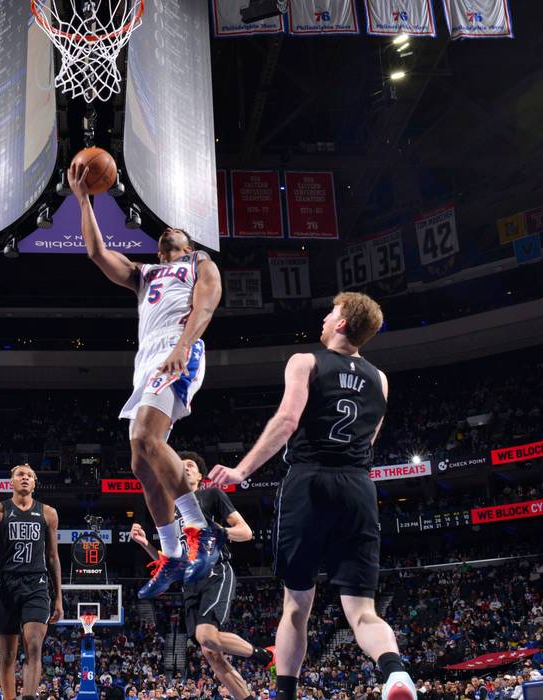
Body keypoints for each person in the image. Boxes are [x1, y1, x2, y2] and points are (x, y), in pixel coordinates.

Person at [210, 292, 416, 700]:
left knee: (296, 605)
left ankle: (286, 694)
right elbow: (369, 439)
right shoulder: (381, 379)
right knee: (362, 611)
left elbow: (287, 420)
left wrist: (241, 470)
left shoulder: (305, 361)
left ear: (341, 324)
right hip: (357, 485)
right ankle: (394, 673)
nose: (324, 318)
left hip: (309, 481)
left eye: (331, 313)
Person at [67, 161, 223, 599]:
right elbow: (98, 254)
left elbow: (206, 307)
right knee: (140, 460)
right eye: (163, 235)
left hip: (180, 347)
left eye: (176, 230)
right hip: (148, 362)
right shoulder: (145, 274)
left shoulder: (200, 262)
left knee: (147, 438)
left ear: (188, 243)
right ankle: (172, 554)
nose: (168, 231)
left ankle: (199, 529)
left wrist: (182, 347)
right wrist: (84, 200)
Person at [128, 452, 271, 700]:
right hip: (189, 583)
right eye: (179, 466)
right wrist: (144, 544)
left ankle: (266, 656)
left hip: (215, 571)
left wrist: (219, 531)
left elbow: (245, 532)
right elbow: (170, 564)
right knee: (211, 653)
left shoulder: (211, 495)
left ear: (200, 476)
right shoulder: (168, 512)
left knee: (206, 636)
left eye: (190, 465)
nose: (184, 468)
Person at [0, 465, 64, 700]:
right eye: (20, 475)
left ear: (35, 483)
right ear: (11, 481)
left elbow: (53, 557)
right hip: (6, 584)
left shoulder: (48, 513)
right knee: (8, 655)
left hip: (36, 583)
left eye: (30, 476)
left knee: (34, 645)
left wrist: (59, 596)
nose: (25, 478)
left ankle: (29, 697)